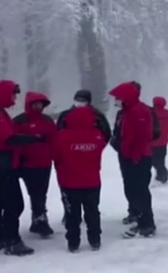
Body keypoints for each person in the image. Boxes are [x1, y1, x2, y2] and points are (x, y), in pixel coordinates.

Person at [0, 80, 45, 256]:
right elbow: (8, 138)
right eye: (13, 95)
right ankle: (12, 240)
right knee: (14, 203)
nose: (14, 99)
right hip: (2, 165)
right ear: (4, 94)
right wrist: (33, 137)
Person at [54, 106, 107, 252]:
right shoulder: (97, 135)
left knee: (72, 214)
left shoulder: (61, 136)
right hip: (92, 181)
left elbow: (55, 154)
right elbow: (101, 147)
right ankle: (95, 239)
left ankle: (73, 242)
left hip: (69, 181)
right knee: (93, 211)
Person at [109, 81, 156, 238]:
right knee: (131, 188)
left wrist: (135, 156)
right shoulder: (127, 111)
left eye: (117, 97)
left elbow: (143, 137)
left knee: (140, 190)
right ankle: (138, 217)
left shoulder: (139, 111)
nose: (115, 101)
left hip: (138, 157)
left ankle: (146, 224)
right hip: (128, 156)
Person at [56, 89, 112, 225]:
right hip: (68, 156)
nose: (79, 103)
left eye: (83, 100)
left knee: (88, 184)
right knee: (67, 185)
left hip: (88, 156)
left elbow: (106, 133)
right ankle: (69, 211)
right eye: (78, 99)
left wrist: (95, 147)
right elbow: (57, 134)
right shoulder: (65, 115)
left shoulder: (97, 116)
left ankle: (89, 214)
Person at [12, 91, 57, 238]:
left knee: (40, 193)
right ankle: (40, 219)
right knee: (35, 192)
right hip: (27, 163)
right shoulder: (19, 121)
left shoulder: (47, 120)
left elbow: (54, 140)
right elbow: (13, 142)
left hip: (44, 162)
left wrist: (54, 156)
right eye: (35, 103)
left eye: (41, 104)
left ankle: (38, 218)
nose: (38, 106)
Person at [151, 96, 168, 183]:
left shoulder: (150, 112)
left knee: (152, 160)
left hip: (152, 141)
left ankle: (162, 175)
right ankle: (162, 174)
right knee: (161, 159)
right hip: (163, 141)